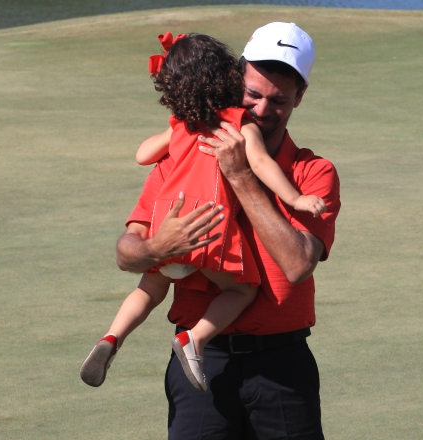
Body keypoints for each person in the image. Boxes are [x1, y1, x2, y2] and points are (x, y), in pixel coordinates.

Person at [117, 22, 340, 439]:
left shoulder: (313, 173)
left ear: (300, 98)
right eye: (252, 94)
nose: (260, 109)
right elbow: (126, 251)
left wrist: (240, 175)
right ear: (235, 79)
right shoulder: (180, 155)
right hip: (202, 363)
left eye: (279, 100)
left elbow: (297, 264)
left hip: (282, 367)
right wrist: (157, 247)